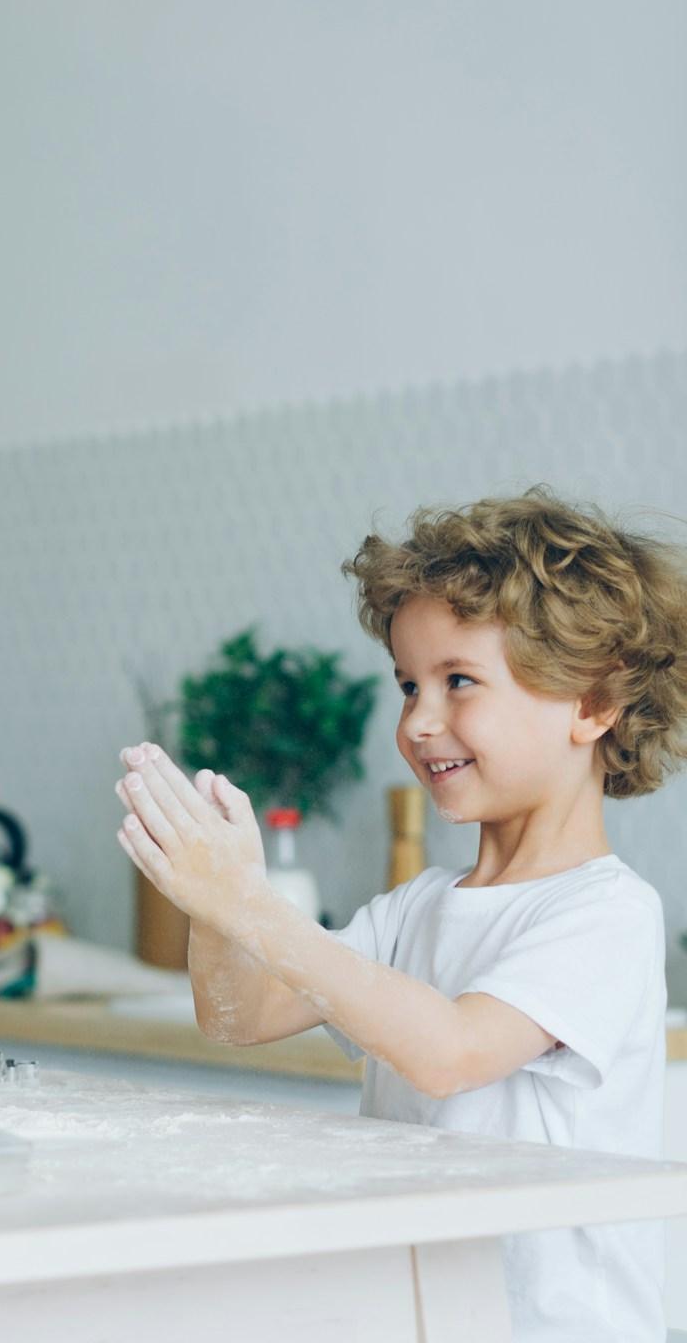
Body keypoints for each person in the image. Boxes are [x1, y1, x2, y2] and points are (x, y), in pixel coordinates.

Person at [115, 488, 687, 1342]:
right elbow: (241, 1016)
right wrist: (214, 904)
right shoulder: (417, 906)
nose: (420, 721)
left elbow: (450, 1053)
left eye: (459, 682)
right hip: (426, 1314)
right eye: (409, 686)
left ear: (593, 703)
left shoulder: (607, 914)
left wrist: (252, 906)